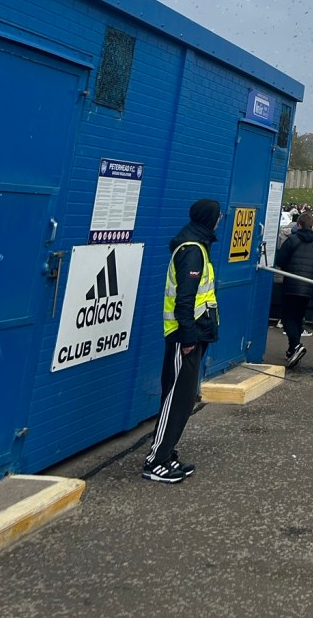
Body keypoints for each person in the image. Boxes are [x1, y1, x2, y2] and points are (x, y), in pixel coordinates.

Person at [143, 198, 221, 483]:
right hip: (185, 336)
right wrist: (188, 335)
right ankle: (156, 461)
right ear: (209, 219)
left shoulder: (197, 246)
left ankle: (166, 452)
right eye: (218, 216)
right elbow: (184, 299)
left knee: (183, 398)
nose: (220, 220)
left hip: (194, 333)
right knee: (176, 398)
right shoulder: (193, 251)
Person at [275, 212, 313, 368]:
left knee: (287, 317)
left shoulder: (292, 240)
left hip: (291, 284)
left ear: (298, 225)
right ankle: (293, 349)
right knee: (298, 317)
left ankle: (296, 345)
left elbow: (280, 260)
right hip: (308, 286)